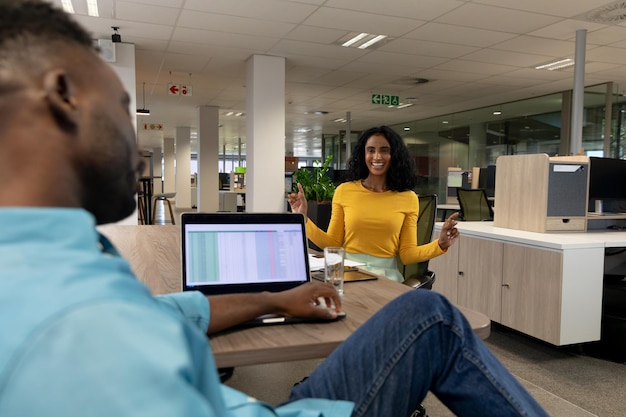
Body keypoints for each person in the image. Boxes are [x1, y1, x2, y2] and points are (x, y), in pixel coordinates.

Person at [0, 2, 549, 416]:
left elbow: (153, 316)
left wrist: (272, 298)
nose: (135, 142)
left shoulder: (56, 263)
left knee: (417, 311)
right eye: (122, 106)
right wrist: (303, 221)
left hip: (366, 283)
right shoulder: (67, 327)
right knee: (430, 319)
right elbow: (330, 240)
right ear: (63, 94)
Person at [289, 126, 459, 282]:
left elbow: (407, 254)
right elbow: (332, 242)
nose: (377, 157)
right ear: (363, 155)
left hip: (386, 277)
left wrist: (440, 245)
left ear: (394, 156)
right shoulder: (344, 191)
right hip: (348, 273)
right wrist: (303, 218)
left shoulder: (408, 198)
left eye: (384, 150)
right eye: (371, 150)